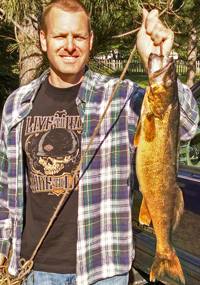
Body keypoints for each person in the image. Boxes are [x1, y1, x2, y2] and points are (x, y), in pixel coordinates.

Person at [0, 0, 198, 284]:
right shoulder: (17, 105)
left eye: (78, 36)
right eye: (60, 36)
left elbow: (189, 125)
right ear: (43, 40)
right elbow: (6, 188)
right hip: (35, 269)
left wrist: (159, 59)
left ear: (90, 41)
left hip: (104, 268)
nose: (70, 45)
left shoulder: (121, 97)